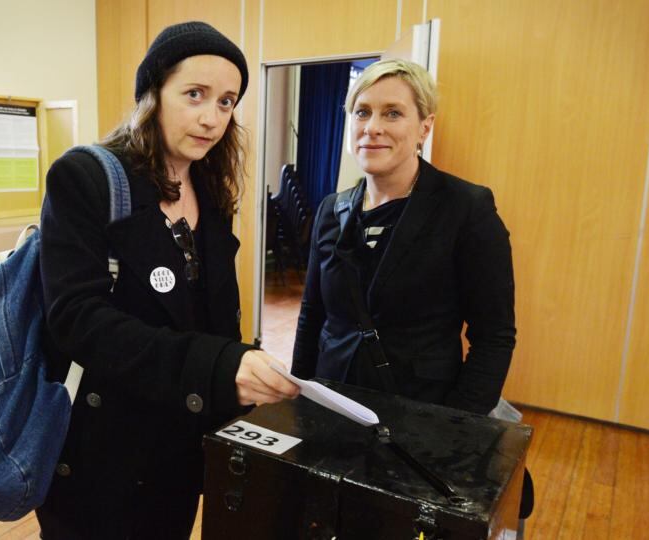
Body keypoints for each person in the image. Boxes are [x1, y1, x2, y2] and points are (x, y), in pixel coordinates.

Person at [35, 21, 299, 539]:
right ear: (152, 94)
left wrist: (238, 384)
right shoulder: (86, 177)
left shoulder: (210, 189)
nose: (211, 117)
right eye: (194, 94)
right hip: (100, 453)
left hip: (179, 447)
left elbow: (214, 316)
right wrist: (218, 366)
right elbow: (76, 319)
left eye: (226, 102)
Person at [292, 58, 516, 415]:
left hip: (421, 411)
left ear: (424, 128)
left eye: (393, 113)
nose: (373, 127)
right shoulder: (331, 210)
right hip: (332, 402)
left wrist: (456, 424)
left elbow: (494, 337)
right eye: (362, 112)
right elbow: (312, 315)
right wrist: (300, 397)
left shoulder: (466, 209)